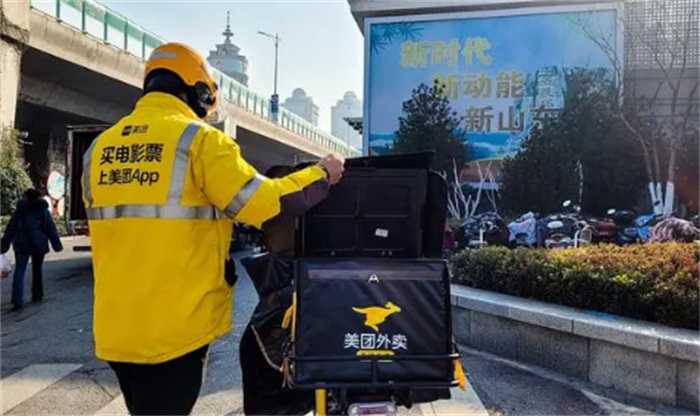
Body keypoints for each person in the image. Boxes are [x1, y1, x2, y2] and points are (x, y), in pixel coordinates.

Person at [83, 42, 343, 415]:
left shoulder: (98, 149)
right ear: (201, 91)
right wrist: (320, 174)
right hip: (175, 332)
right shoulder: (199, 141)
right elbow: (263, 204)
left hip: (115, 330)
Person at [1, 188, 63, 311]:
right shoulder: (42, 210)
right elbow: (50, 228)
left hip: (21, 244)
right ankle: (37, 295)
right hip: (38, 244)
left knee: (19, 271)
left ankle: (17, 300)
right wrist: (57, 245)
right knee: (37, 270)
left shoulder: (19, 211)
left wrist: (4, 245)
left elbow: (10, 228)